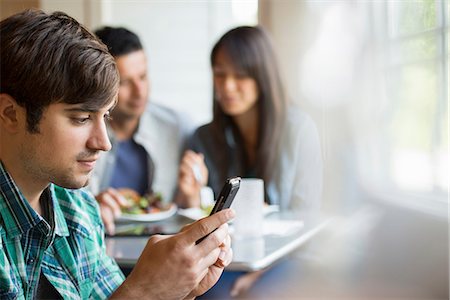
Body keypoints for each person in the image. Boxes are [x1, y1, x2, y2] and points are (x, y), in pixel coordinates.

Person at [0, 9, 233, 299]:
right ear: (10, 114)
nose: (104, 142)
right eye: (81, 118)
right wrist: (145, 291)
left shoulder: (78, 209)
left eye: (106, 116)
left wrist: (177, 289)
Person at [176, 26, 323, 297]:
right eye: (220, 74)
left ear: (262, 77)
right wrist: (189, 198)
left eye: (240, 75)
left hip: (285, 257)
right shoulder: (203, 137)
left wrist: (261, 273)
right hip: (224, 257)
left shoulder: (299, 130)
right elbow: (193, 218)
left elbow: (309, 223)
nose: (227, 86)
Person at [90, 26, 192, 234]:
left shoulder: (177, 127)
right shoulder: (79, 130)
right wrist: (90, 208)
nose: (140, 92)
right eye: (125, 82)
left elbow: (184, 206)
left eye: (143, 77)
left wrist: (190, 195)